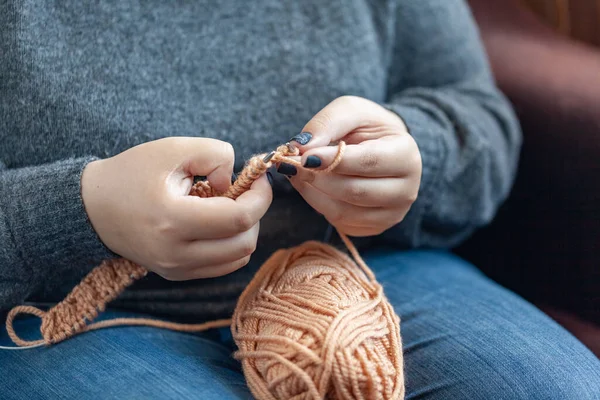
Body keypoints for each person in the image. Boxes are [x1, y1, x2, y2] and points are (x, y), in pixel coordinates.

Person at [1, 1, 598, 399]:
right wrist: (76, 210)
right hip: (69, 309)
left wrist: (417, 155)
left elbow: (481, 117)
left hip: (362, 270)